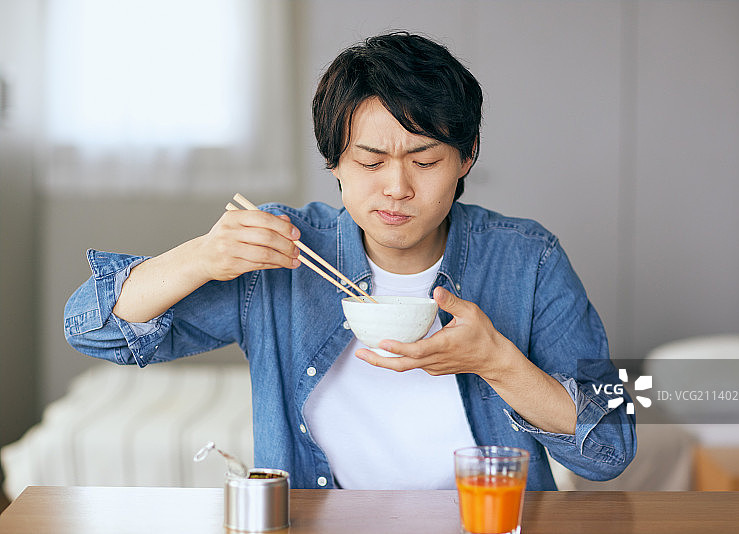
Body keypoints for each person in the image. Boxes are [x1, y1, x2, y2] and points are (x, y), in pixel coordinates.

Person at [65, 31, 636, 490]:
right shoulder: (288, 250)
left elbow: (610, 448)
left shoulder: (525, 259)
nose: (396, 187)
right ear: (333, 162)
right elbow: (94, 330)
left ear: (466, 158)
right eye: (368, 162)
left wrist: (497, 362)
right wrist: (201, 256)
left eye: (424, 160)